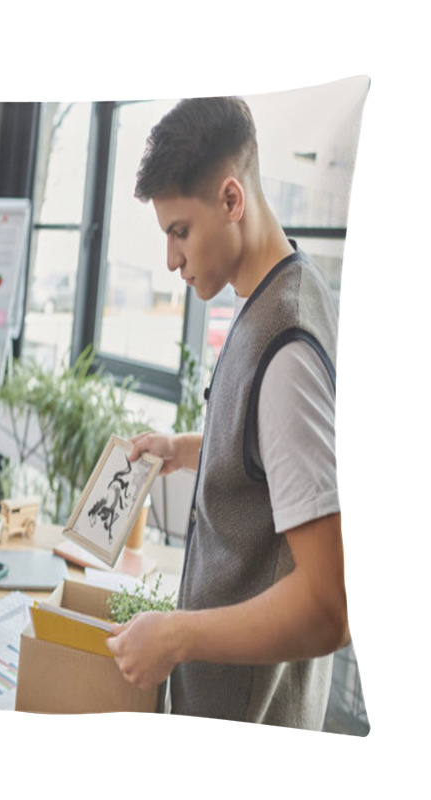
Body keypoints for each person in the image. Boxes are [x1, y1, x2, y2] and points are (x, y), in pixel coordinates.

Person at [105, 97, 349, 730]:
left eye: (179, 231)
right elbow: (272, 455)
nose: (170, 259)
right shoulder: (276, 282)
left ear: (232, 200)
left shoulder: (285, 352)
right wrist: (186, 447)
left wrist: (177, 636)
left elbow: (329, 605)